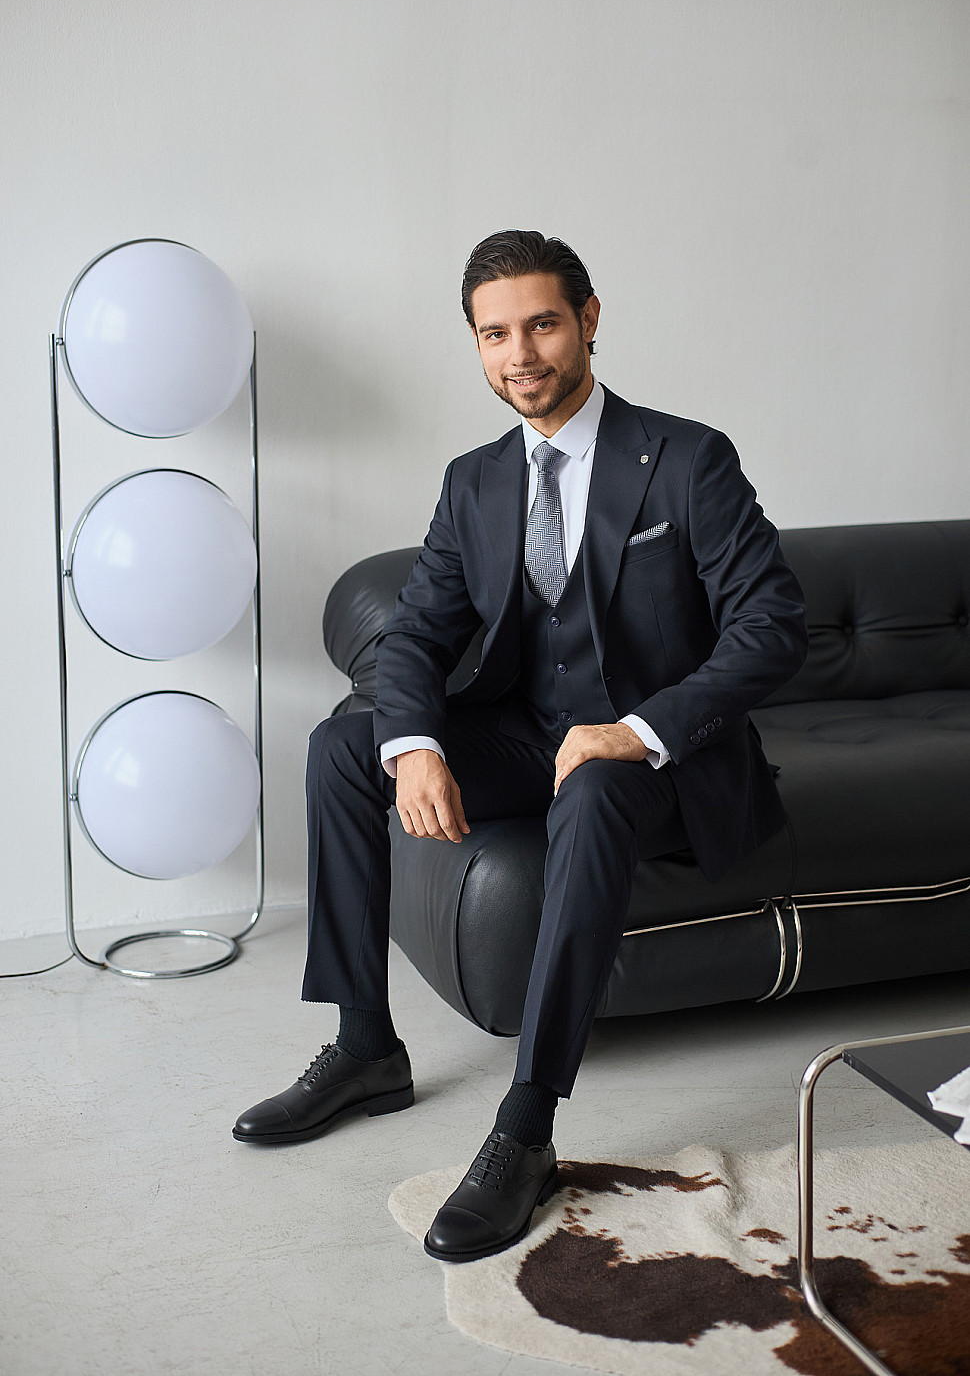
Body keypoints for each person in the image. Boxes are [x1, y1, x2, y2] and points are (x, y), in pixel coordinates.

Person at [234, 230, 808, 1263]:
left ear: (588, 319)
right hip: (527, 730)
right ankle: (365, 1046)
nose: (520, 354)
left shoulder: (686, 459)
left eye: (541, 324)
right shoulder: (476, 481)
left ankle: (527, 1128)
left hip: (660, 758)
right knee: (343, 746)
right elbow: (416, 634)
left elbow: (771, 626)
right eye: (495, 335)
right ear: (477, 344)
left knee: (592, 787)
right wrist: (414, 743)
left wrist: (635, 730)